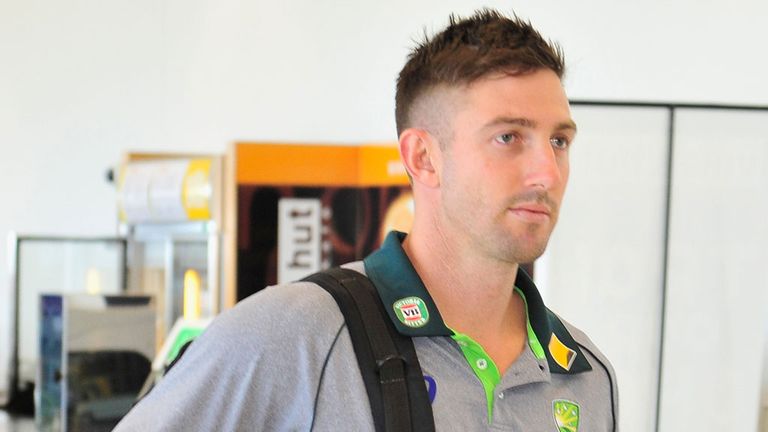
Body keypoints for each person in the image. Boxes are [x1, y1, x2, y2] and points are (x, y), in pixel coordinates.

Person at [115, 9, 617, 431]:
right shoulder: (296, 333)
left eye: (559, 141)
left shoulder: (586, 374)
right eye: (509, 137)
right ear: (423, 158)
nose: (547, 172)